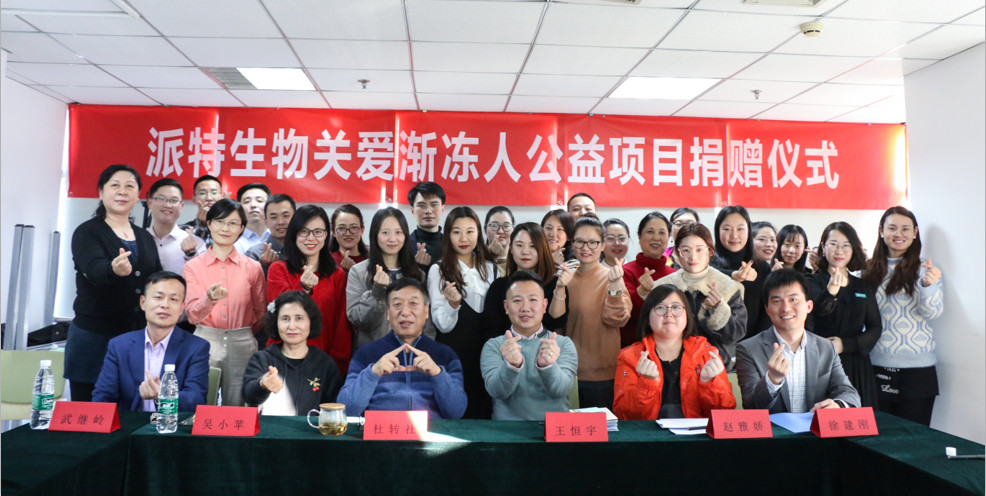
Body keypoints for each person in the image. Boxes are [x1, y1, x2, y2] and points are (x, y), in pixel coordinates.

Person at [65, 164, 163, 402]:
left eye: (130, 186)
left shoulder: (144, 236)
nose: (122, 191)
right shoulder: (87, 232)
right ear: (101, 192)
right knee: (89, 412)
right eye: (115, 185)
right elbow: (94, 270)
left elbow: (156, 278)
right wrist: (113, 269)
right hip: (93, 337)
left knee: (129, 409)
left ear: (138, 195)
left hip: (135, 336)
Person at [337, 278, 467, 419]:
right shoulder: (366, 354)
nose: (405, 312)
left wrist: (437, 374)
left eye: (413, 304)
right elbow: (347, 410)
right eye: (397, 304)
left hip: (430, 431)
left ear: (426, 311)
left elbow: (456, 412)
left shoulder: (445, 355)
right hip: (381, 431)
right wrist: (372, 373)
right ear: (388, 313)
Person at [735, 269, 860, 413]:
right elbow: (750, 405)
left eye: (793, 299)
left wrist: (838, 405)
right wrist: (772, 380)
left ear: (809, 306)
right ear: (768, 310)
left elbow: (848, 392)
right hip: (774, 428)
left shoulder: (825, 347)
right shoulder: (748, 349)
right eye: (776, 301)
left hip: (813, 427)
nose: (786, 308)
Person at [862, 207, 943, 426]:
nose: (899, 234)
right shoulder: (865, 270)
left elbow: (933, 312)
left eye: (906, 229)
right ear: (881, 231)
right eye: (892, 228)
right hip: (875, 367)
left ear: (915, 232)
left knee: (915, 439)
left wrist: (928, 285)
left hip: (918, 372)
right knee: (879, 437)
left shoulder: (926, 269)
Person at [183, 198, 266, 406]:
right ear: (209, 224)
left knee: (239, 407)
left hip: (242, 341)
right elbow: (192, 315)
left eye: (232, 223)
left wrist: (242, 333)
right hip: (205, 339)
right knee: (201, 404)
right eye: (219, 221)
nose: (225, 228)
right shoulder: (193, 266)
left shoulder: (253, 267)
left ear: (242, 228)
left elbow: (260, 312)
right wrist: (209, 299)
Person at [613, 284, 735, 420]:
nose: (669, 314)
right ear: (647, 318)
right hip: (649, 433)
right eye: (660, 308)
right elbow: (624, 415)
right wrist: (646, 383)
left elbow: (725, 413)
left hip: (695, 433)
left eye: (676, 307)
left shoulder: (707, 353)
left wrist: (709, 383)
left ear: (687, 315)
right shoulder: (630, 356)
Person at [92, 271, 210, 412]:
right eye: (158, 297)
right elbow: (103, 397)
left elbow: (196, 399)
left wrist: (163, 396)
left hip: (173, 423)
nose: (165, 305)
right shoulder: (119, 346)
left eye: (173, 299)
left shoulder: (196, 347)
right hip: (129, 423)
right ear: (143, 302)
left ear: (181, 308)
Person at [429, 206, 498, 418]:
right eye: (456, 232)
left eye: (470, 231)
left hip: (486, 354)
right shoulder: (439, 270)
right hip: (453, 354)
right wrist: (452, 305)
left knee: (484, 412)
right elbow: (441, 324)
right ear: (448, 235)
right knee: (455, 411)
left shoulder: (491, 268)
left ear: (479, 233)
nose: (464, 238)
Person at [481, 271, 577, 420]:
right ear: (506, 307)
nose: (525, 308)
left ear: (544, 305)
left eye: (533, 300)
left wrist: (548, 366)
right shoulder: (494, 346)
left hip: (553, 427)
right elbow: (497, 392)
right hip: (507, 429)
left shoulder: (562, 344)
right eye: (517, 301)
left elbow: (562, 390)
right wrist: (511, 366)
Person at [267, 205, 352, 375]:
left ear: (326, 235)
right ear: (294, 234)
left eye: (318, 232)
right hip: (283, 362)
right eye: (304, 232)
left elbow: (340, 324)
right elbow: (279, 313)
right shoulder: (278, 269)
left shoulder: (336, 275)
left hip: (323, 362)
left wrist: (337, 364)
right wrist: (303, 289)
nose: (311, 238)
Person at [806, 222, 882, 408]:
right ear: (823, 247)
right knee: (821, 417)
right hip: (822, 362)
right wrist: (831, 291)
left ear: (853, 248)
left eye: (846, 245)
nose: (839, 250)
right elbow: (816, 314)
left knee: (858, 419)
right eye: (833, 244)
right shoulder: (810, 281)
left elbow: (875, 327)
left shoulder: (863, 286)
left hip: (857, 363)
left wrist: (846, 345)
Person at [656, 223, 746, 372]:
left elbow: (736, 334)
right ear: (677, 253)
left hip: (714, 367)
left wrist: (718, 310)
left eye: (699, 249)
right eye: (686, 250)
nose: (693, 257)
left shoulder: (727, 286)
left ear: (710, 251)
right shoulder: (664, 286)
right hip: (672, 367)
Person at [565, 216, 631, 409]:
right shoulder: (565, 278)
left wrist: (614, 286)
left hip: (603, 378)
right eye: (580, 241)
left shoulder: (612, 276)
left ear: (602, 245)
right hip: (567, 373)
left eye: (593, 242)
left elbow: (617, 319)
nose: (586, 248)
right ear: (572, 243)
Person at [242, 291, 343, 415]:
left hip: (311, 427)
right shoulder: (262, 359)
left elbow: (334, 408)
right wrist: (262, 385)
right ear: (276, 322)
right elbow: (248, 396)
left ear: (311, 321)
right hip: (269, 427)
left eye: (299, 318)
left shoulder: (325, 364)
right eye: (285, 319)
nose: (292, 326)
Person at [347, 207, 428, 350]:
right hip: (372, 355)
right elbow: (358, 320)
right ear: (375, 235)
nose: (392, 239)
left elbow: (426, 323)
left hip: (410, 355)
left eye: (398, 232)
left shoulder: (418, 274)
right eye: (385, 233)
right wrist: (377, 292)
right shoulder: (358, 272)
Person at [481, 223, 569, 338]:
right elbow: (491, 329)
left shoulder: (554, 283)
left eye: (533, 246)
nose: (525, 252)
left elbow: (557, 322)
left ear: (542, 249)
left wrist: (560, 287)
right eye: (519, 245)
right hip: (506, 347)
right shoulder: (499, 286)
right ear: (511, 248)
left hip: (546, 347)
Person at [710, 205, 771, 339]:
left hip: (755, 343)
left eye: (740, 229)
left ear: (748, 231)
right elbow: (711, 275)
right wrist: (734, 276)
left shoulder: (763, 268)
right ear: (717, 231)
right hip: (715, 342)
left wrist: (757, 343)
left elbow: (766, 312)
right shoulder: (708, 265)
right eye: (727, 229)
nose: (734, 235)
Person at [620, 211, 676, 349]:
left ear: (669, 238)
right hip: (634, 348)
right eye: (650, 232)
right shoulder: (625, 272)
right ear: (639, 236)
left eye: (662, 233)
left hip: (669, 348)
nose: (656, 237)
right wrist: (641, 293)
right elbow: (624, 315)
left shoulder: (675, 275)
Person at [145, 178, 205, 275]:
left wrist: (191, 254)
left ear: (181, 206)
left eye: (173, 200)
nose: (167, 205)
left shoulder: (197, 244)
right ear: (149, 203)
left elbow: (201, 278)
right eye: (161, 199)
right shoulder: (138, 240)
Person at [244, 193, 295, 275]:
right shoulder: (254, 254)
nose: (280, 222)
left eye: (286, 216)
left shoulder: (304, 249)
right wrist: (264, 266)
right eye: (274, 217)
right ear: (266, 221)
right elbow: (248, 282)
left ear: (295, 218)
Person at [407, 181, 446, 270]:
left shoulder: (452, 244)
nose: (428, 211)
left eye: (434, 205)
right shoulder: (404, 246)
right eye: (422, 205)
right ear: (412, 211)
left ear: (442, 209)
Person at [180, 174, 223, 245]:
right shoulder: (184, 230)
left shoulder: (230, 228)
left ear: (222, 198)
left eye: (214, 193)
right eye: (202, 193)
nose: (209, 198)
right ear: (194, 199)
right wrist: (202, 225)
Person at [233, 183, 271, 254]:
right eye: (247, 201)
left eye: (259, 201)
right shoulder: (233, 241)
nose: (253, 205)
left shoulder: (279, 236)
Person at [329, 204, 368, 272]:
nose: (348, 234)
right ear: (333, 231)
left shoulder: (371, 261)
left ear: (362, 230)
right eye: (341, 228)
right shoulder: (327, 262)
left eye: (353, 227)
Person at [484, 206, 514, 276]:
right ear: (485, 230)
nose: (500, 231)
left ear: (513, 230)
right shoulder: (475, 259)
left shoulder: (519, 259)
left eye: (506, 226)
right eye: (494, 226)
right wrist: (490, 255)